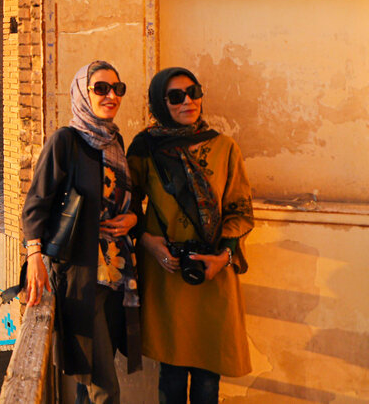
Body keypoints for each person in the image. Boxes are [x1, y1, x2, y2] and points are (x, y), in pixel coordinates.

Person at [127, 68, 253, 404]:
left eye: (193, 92)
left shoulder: (224, 147)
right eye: (176, 96)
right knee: (171, 374)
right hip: (167, 270)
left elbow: (240, 209)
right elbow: (127, 203)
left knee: (208, 377)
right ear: (160, 101)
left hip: (213, 272)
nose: (189, 101)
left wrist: (223, 257)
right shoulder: (145, 148)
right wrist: (148, 242)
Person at [23, 61, 141, 403]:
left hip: (116, 275)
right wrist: (34, 257)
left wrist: (133, 218)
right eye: (100, 88)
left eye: (117, 89)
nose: (111, 96)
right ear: (81, 92)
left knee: (87, 382)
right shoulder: (66, 141)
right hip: (80, 276)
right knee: (105, 388)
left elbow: (129, 202)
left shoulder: (116, 142)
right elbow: (36, 202)